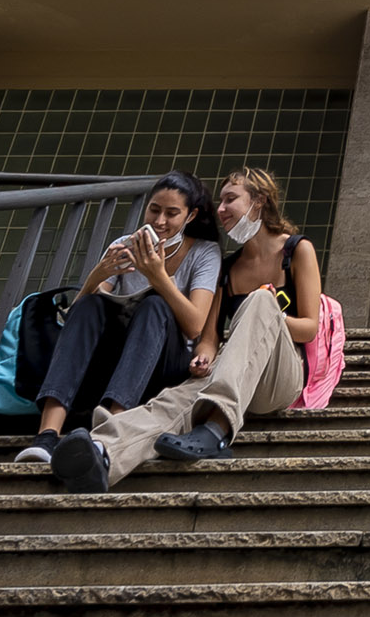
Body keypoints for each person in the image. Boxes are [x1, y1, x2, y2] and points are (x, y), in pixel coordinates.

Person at [49, 166, 322, 489]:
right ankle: (103, 452)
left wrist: (267, 311)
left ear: (259, 201)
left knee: (261, 302)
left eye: (230, 199)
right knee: (173, 401)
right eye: (219, 201)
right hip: (234, 376)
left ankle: (218, 429)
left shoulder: (296, 250)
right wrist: (204, 357)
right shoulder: (229, 266)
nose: (220, 209)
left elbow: (309, 327)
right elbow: (208, 339)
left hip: (279, 378)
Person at [12, 170, 218, 467]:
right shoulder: (125, 243)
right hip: (113, 362)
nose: (160, 221)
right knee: (91, 304)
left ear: (191, 215)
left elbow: (195, 325)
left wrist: (158, 277)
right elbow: (76, 319)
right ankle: (46, 435)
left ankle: (112, 432)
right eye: (154, 209)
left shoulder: (204, 252)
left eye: (172, 213)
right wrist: (99, 274)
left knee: (155, 306)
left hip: (163, 364)